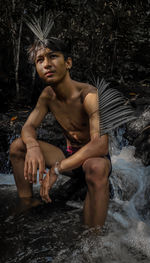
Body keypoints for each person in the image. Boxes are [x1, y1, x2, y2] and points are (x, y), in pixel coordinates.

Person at [9, 38, 112, 228]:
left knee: (95, 167)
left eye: (53, 57)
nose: (47, 64)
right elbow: (29, 127)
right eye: (40, 60)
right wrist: (32, 146)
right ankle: (27, 204)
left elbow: (100, 144)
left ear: (68, 63)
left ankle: (93, 240)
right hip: (68, 155)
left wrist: (56, 169)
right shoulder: (47, 95)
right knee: (18, 147)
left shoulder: (89, 95)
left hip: (92, 157)